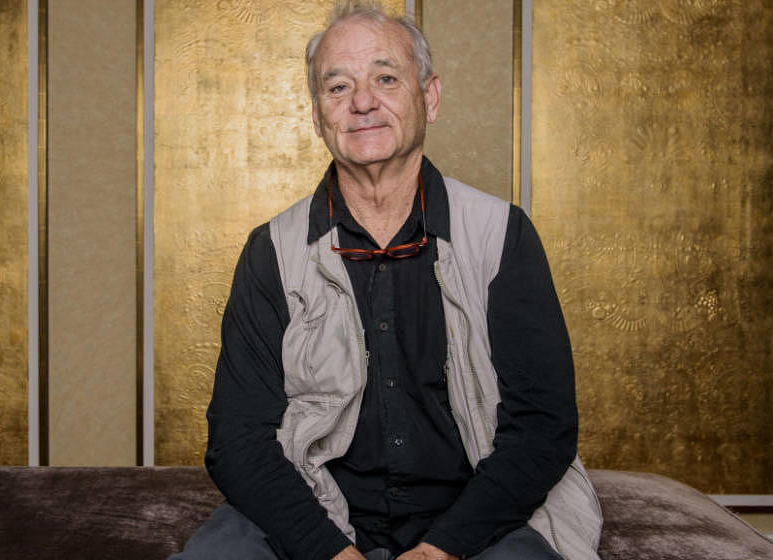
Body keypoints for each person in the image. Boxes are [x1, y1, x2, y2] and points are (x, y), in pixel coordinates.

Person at [171, 2, 602, 559]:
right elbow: (237, 440)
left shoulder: (501, 234)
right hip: (315, 511)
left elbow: (544, 427)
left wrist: (442, 548)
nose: (362, 102)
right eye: (338, 87)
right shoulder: (270, 251)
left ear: (430, 97)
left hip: (477, 520)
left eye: (386, 78)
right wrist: (328, 551)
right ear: (317, 116)